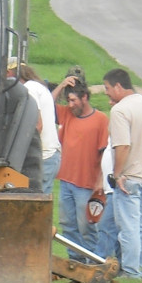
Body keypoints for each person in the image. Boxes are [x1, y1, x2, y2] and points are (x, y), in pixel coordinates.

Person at [105, 69, 142, 279]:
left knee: (129, 227)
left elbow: (122, 146)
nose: (107, 93)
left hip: (129, 178)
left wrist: (116, 174)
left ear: (119, 86)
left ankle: (131, 271)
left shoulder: (120, 110)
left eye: (108, 88)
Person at [52, 66, 109, 256]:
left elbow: (103, 155)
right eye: (68, 100)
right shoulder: (68, 114)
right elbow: (48, 103)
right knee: (68, 226)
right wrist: (62, 85)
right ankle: (75, 263)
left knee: (87, 228)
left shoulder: (101, 120)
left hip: (87, 184)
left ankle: (92, 261)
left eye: (73, 100)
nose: (70, 104)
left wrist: (99, 183)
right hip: (66, 181)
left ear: (84, 97)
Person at [17, 63, 61, 195]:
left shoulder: (29, 88)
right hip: (51, 155)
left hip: (44, 155)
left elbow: (37, 124)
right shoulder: (39, 87)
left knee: (38, 202)